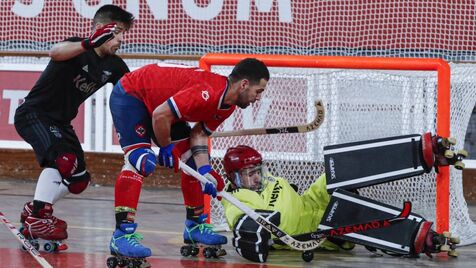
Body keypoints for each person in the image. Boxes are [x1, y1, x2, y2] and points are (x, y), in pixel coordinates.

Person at [107, 59, 270, 260]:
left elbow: (199, 135)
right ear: (244, 84)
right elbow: (160, 116)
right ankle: (121, 235)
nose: (258, 98)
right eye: (258, 91)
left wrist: (204, 171)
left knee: (192, 162)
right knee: (141, 161)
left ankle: (194, 226)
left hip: (161, 107)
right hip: (132, 95)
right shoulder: (208, 92)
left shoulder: (227, 105)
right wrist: (166, 146)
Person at [14, 4, 134, 249]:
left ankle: (34, 210)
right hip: (34, 114)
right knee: (63, 160)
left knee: (79, 180)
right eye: (119, 32)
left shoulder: (115, 66)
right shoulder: (76, 47)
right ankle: (39, 217)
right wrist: (88, 42)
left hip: (60, 123)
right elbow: (55, 52)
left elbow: (131, 94)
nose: (122, 39)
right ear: (102, 29)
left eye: (124, 33)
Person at [221, 142, 464, 262]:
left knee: (339, 169)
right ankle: (421, 238)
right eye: (248, 173)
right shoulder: (237, 200)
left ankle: (421, 152)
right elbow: (242, 225)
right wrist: (255, 231)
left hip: (309, 201)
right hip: (312, 231)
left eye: (258, 170)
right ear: (234, 177)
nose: (256, 176)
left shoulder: (263, 179)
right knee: (347, 215)